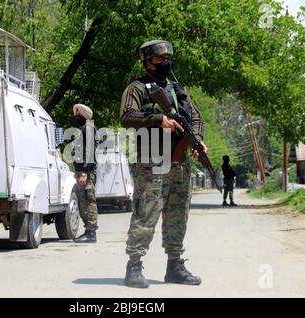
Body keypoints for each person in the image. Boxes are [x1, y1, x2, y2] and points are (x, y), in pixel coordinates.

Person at [120, 39, 206, 288]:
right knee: (146, 213)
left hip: (180, 162)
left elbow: (197, 118)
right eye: (160, 59)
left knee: (178, 215)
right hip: (151, 161)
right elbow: (126, 115)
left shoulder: (178, 89)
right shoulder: (137, 88)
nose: (165, 62)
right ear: (147, 62)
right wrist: (159, 119)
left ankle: (174, 265)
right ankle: (134, 265)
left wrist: (197, 141)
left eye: (168, 58)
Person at [72, 104, 99, 243]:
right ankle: (89, 231)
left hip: (85, 171)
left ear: (85, 117)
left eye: (79, 116)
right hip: (82, 171)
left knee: (88, 202)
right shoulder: (84, 130)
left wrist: (84, 172)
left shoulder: (88, 129)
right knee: (83, 201)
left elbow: (89, 151)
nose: (77, 118)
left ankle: (91, 233)